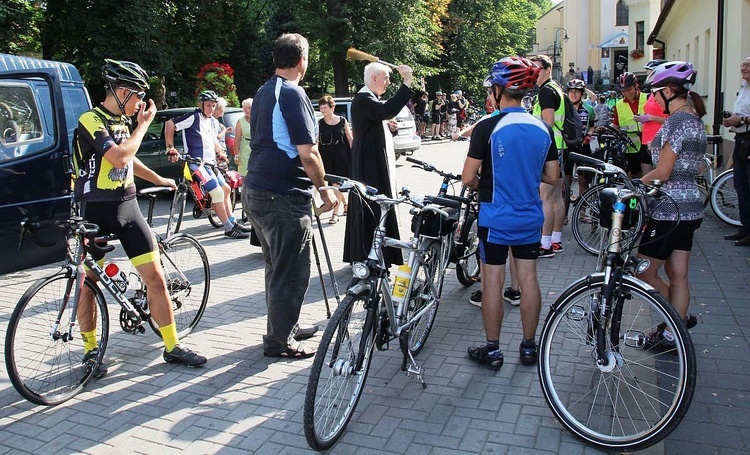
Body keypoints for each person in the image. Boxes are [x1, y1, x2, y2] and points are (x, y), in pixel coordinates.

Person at [74, 59, 207, 373]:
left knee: (156, 278)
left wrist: (158, 179)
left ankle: (173, 346)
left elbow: (127, 161)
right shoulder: (90, 119)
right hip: (95, 210)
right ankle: (91, 351)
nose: (141, 104)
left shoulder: (122, 121)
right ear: (121, 91)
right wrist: (145, 125)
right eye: (137, 96)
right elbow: (118, 155)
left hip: (127, 207)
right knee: (88, 283)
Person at [243, 33, 337, 359]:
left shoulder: (264, 90)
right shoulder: (293, 94)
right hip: (282, 195)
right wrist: (325, 189)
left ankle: (285, 327)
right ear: (302, 60)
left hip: (256, 191)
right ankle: (280, 342)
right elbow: (308, 154)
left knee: (276, 268)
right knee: (292, 273)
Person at [462, 56, 559, 370]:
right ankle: (529, 347)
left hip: (495, 216)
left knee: (492, 280)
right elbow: (553, 176)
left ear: (498, 89)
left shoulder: (488, 126)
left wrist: (481, 184)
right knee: (528, 278)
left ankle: (493, 351)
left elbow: (467, 178)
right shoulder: (542, 128)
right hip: (529, 214)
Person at [636, 61, 705, 341]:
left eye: (654, 93)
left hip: (668, 209)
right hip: (690, 207)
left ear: (667, 91)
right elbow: (696, 167)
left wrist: (633, 186)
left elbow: (663, 172)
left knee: (643, 269)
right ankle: (674, 333)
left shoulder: (676, 122)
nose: (652, 98)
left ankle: (676, 320)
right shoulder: (696, 121)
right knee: (679, 275)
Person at [343, 61, 415, 267]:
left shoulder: (368, 99)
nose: (388, 83)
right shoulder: (364, 99)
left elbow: (379, 119)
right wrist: (407, 82)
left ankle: (378, 253)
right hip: (369, 167)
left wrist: (387, 128)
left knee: (376, 207)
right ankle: (371, 253)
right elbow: (387, 110)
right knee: (373, 207)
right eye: (385, 79)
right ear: (374, 78)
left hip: (371, 163)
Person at [165, 90, 250, 239]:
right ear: (201, 105)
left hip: (210, 163)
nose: (211, 108)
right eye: (208, 105)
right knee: (217, 192)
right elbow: (169, 124)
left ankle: (232, 222)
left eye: (213, 105)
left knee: (226, 188)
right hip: (196, 164)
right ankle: (228, 228)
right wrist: (170, 147)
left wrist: (221, 152)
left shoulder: (211, 121)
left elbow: (213, 140)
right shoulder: (193, 117)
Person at [529, 54, 566, 257]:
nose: (534, 73)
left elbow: (547, 123)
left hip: (549, 147)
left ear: (548, 69)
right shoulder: (556, 88)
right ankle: (556, 240)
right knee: (556, 196)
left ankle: (545, 245)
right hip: (560, 147)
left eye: (537, 69)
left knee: (545, 197)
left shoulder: (546, 92)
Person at [722, 56, 750, 246]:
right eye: (743, 64)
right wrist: (732, 120)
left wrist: (741, 120)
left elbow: (744, 118)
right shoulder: (744, 88)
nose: (744, 68)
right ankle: (745, 228)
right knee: (741, 187)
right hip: (741, 140)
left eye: (748, 65)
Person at [317, 95, 353, 224]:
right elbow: (316, 141)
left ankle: (335, 213)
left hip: (342, 156)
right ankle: (345, 204)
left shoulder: (342, 121)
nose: (322, 110)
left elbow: (349, 138)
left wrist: (355, 154)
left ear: (332, 107)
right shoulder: (320, 123)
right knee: (332, 185)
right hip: (326, 156)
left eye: (325, 107)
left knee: (337, 185)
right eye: (321, 107)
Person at [610, 72, 648, 177]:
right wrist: (605, 128)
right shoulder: (619, 104)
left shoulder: (648, 99)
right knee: (634, 176)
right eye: (623, 91)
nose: (627, 93)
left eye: (629, 89)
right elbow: (616, 124)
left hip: (648, 144)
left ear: (636, 86)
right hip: (630, 147)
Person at [565, 79, 596, 201]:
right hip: (566, 146)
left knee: (583, 180)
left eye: (577, 91)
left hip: (583, 146)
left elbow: (592, 126)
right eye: (571, 91)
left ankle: (582, 212)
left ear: (582, 93)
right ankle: (564, 214)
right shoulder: (563, 107)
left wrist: (589, 134)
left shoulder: (589, 109)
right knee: (566, 180)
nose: (573, 94)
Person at [637, 59, 669, 175]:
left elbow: (673, 121)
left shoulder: (666, 95)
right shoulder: (651, 94)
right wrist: (643, 118)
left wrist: (651, 118)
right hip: (646, 139)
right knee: (646, 181)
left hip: (659, 140)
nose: (648, 76)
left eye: (650, 72)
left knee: (658, 178)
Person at [233, 98, 252, 176]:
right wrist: (237, 155)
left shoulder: (259, 119)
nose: (247, 111)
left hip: (258, 151)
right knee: (245, 177)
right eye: (244, 109)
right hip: (245, 152)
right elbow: (237, 140)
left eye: (249, 108)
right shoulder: (240, 121)